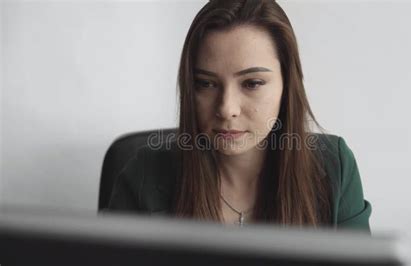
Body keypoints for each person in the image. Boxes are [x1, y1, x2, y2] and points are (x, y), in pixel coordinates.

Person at [106, 0, 371, 233]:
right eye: (206, 84)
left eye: (252, 83)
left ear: (287, 85)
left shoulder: (335, 168)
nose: (226, 108)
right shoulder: (144, 175)